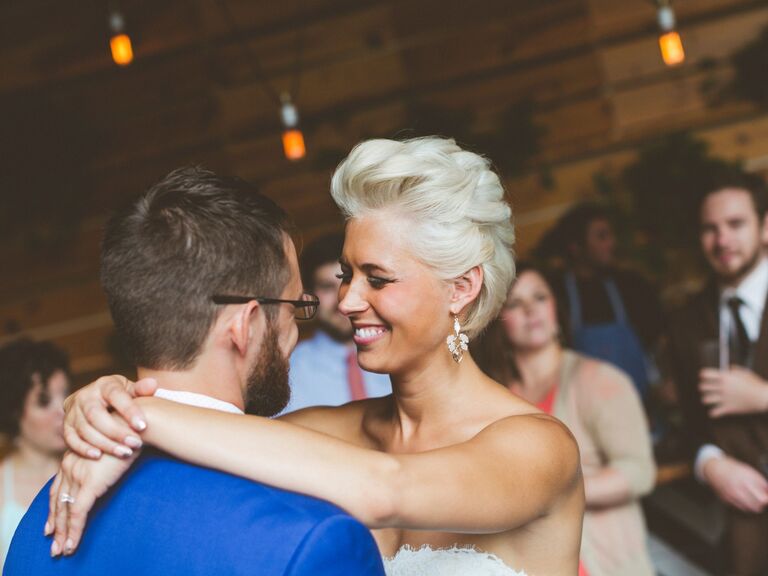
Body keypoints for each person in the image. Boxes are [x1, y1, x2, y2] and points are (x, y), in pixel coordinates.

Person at [49, 138, 584, 575]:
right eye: (347, 275)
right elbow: (211, 443)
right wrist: (99, 406)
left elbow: (385, 489)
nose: (348, 302)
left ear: (461, 289)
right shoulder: (321, 434)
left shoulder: (539, 447)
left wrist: (141, 416)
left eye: (378, 279)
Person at [4, 167, 386, 575]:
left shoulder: (39, 524)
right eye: (294, 307)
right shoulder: (314, 541)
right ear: (246, 326)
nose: (295, 331)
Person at [475, 263, 656, 576]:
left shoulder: (599, 380)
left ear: (556, 305)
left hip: (602, 565)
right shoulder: (495, 399)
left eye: (540, 297)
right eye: (515, 303)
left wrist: (553, 495)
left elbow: (639, 472)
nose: (531, 310)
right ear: (498, 321)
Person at [668, 178, 768, 575]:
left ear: (765, 227)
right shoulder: (685, 321)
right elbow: (692, 422)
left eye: (736, 224)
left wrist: (763, 396)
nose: (722, 239)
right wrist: (709, 464)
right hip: (746, 519)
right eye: (711, 228)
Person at [545, 203, 665, 400]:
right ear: (576, 247)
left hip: (642, 405)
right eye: (601, 236)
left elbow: (658, 344)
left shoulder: (630, 286)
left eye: (610, 235)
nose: (611, 243)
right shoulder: (557, 294)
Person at [286, 232, 391, 412]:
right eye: (327, 287)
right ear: (309, 296)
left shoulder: (400, 358)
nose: (342, 300)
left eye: (347, 282)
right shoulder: (288, 373)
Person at [0, 339, 69, 568]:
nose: (62, 411)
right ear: (15, 411)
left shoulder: (85, 470)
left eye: (65, 395)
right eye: (44, 401)